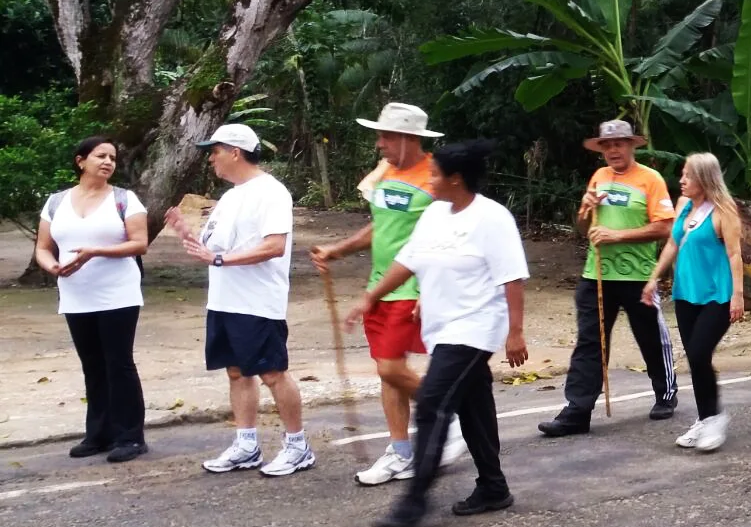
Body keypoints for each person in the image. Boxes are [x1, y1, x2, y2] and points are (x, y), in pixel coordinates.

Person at [346, 140, 529, 527]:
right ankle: (493, 487)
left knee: (432, 404)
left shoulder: (491, 218)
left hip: (476, 326)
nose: (429, 180)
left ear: (456, 179)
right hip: (443, 325)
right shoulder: (433, 215)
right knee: (475, 406)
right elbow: (407, 260)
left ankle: (413, 503)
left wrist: (515, 332)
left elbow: (512, 277)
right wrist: (370, 298)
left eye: (435, 174)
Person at [311, 102, 467, 485]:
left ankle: (446, 417)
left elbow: (452, 235)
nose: (379, 143)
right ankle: (400, 451)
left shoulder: (435, 178)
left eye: (385, 136)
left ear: (409, 138)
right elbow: (379, 226)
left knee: (390, 368)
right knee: (388, 372)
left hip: (414, 285)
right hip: (378, 285)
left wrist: (433, 289)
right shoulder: (383, 173)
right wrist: (339, 249)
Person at [165, 124, 312, 476]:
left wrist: (218, 260)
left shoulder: (271, 192)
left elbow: (273, 246)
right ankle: (246, 445)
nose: (211, 158)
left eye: (214, 151)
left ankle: (298, 446)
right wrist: (186, 232)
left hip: (257, 302)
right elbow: (213, 248)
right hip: (224, 300)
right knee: (235, 372)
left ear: (235, 151)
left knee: (272, 373)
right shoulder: (231, 196)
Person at [539, 120, 678, 438]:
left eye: (619, 144)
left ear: (631, 146)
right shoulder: (599, 178)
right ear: (601, 149)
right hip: (597, 273)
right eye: (607, 145)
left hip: (639, 276)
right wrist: (585, 212)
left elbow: (664, 227)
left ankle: (666, 392)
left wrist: (617, 235)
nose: (613, 150)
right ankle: (577, 410)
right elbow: (584, 230)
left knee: (650, 337)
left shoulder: (650, 179)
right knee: (590, 342)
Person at [34, 136, 150, 462]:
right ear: (80, 160)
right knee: (93, 365)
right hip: (75, 294)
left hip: (117, 294)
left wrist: (95, 251)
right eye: (101, 156)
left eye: (112, 157)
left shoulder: (125, 200)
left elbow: (139, 243)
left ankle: (130, 436)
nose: (108, 162)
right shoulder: (56, 203)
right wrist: (52, 267)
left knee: (118, 362)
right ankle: (99, 434)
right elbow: (43, 247)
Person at [643, 153, 744, 452]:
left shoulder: (723, 210)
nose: (682, 180)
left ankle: (716, 419)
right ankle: (704, 418)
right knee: (695, 357)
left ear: (704, 179)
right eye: (683, 175)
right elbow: (674, 242)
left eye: (688, 175)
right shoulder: (683, 206)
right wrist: (654, 278)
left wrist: (738, 295)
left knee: (700, 353)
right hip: (686, 293)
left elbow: (734, 254)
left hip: (718, 295)